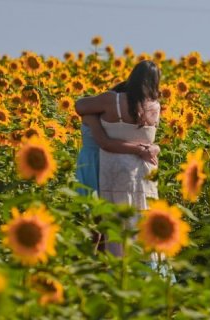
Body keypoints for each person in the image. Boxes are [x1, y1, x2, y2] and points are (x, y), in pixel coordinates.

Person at [75, 60, 161, 256]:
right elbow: (150, 140)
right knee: (130, 221)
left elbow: (80, 105)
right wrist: (149, 148)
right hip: (135, 171)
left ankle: (93, 263)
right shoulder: (152, 108)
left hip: (104, 164)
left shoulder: (107, 104)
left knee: (100, 221)